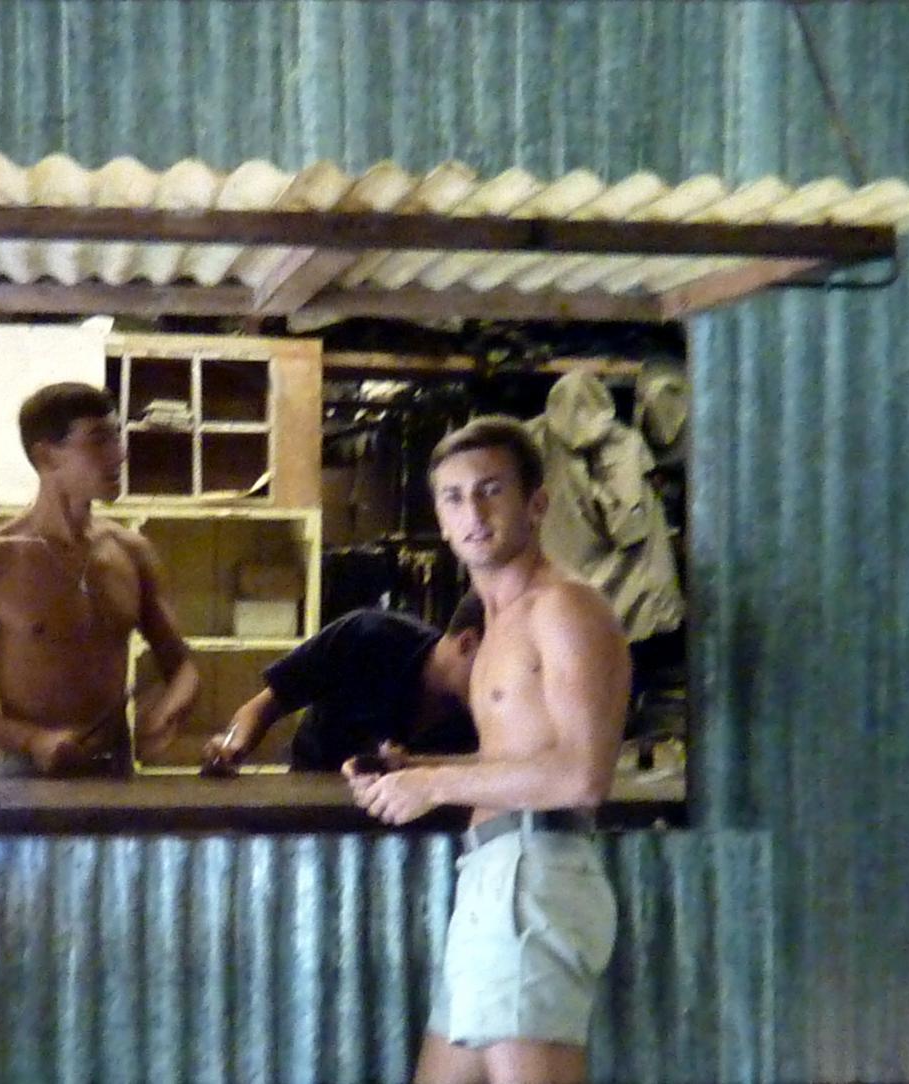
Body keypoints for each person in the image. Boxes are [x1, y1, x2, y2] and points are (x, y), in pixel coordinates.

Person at [346, 416, 629, 1084]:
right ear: (440, 521)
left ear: (536, 503)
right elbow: (525, 758)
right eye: (454, 496)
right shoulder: (497, 623)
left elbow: (582, 777)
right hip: (494, 879)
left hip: (534, 879)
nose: (472, 512)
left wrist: (434, 787)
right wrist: (420, 770)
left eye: (491, 490)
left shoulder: (564, 608)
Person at [0, 382, 198, 777]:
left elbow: (182, 664)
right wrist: (32, 740)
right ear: (46, 455)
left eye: (117, 437)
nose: (119, 454)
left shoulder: (131, 551)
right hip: (26, 775)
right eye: (99, 440)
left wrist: (170, 708)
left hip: (114, 771)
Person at [201, 595, 484, 773]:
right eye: (499, 662)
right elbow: (263, 706)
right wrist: (233, 747)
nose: (502, 678)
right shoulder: (366, 636)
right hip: (312, 809)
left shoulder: (487, 713)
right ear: (467, 643)